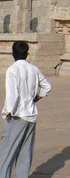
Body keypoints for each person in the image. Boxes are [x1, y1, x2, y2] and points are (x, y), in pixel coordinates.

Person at [0, 40, 51, 178]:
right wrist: (35, 99)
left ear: (13, 53)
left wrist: (8, 113)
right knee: (25, 153)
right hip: (31, 115)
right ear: (27, 53)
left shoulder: (12, 70)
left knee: (6, 154)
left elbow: (12, 95)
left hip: (17, 116)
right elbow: (47, 87)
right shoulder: (34, 69)